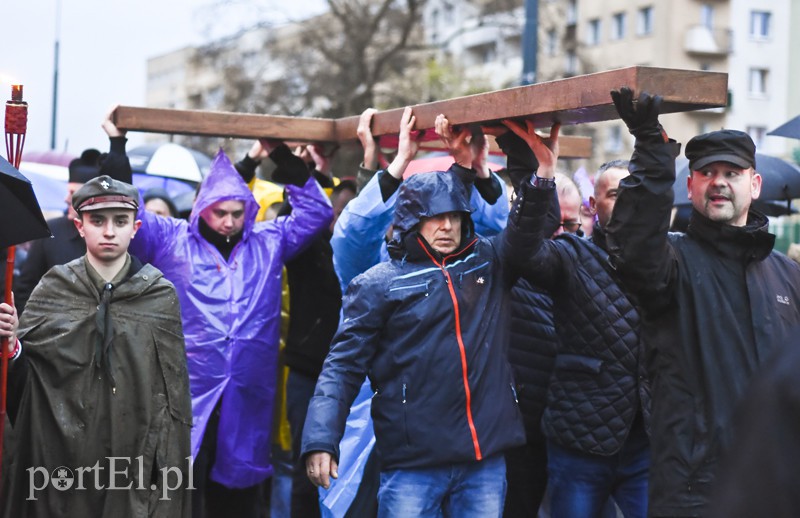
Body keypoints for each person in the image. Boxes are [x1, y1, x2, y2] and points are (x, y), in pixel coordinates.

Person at [301, 113, 565, 517]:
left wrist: (535, 171)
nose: (446, 226)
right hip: (411, 458)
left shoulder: (487, 264)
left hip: (482, 457)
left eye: (454, 217)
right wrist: (321, 438)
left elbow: (522, 230)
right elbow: (341, 367)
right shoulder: (375, 281)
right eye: (434, 217)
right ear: (408, 222)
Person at [99, 114, 333, 518]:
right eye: (220, 212)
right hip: (184, 392)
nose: (228, 221)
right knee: (176, 491)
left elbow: (316, 213)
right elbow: (125, 204)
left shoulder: (268, 241)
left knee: (238, 497)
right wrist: (118, 145)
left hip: (248, 392)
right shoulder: (172, 239)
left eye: (237, 213)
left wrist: (278, 151)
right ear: (203, 208)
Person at [605, 87, 800, 517]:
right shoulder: (672, 262)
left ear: (755, 183)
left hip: (777, 488)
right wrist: (653, 157)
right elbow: (633, 247)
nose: (719, 182)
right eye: (708, 172)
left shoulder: (788, 276)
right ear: (690, 184)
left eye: (731, 172)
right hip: (696, 493)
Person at [0, 176, 192, 518]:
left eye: (120, 221)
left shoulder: (159, 297)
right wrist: (13, 345)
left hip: (130, 464)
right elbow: (28, 388)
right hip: (59, 464)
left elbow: (171, 401)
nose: (109, 231)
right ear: (79, 225)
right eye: (97, 220)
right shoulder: (54, 289)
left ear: (135, 228)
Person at [501, 119, 650, 517]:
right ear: (592, 206)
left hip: (645, 442)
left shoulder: (666, 259)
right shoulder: (572, 254)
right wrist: (543, 176)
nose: (626, 202)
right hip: (579, 441)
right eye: (615, 194)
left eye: (635, 193)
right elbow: (522, 251)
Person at [13, 148, 102, 314]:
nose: (66, 198)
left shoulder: (109, 235)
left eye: (73, 193)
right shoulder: (51, 231)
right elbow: (25, 288)